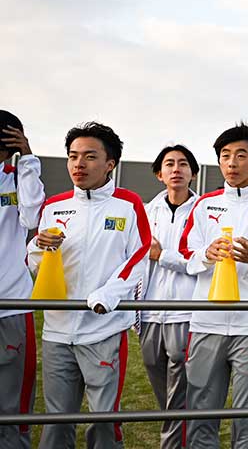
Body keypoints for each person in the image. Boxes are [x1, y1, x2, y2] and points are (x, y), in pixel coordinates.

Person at [29, 122, 151, 449]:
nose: (78, 164)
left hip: (104, 329)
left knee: (103, 421)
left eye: (89, 156)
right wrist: (39, 246)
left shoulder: (128, 204)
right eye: (73, 156)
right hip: (57, 331)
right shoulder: (54, 206)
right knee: (56, 420)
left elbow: (139, 255)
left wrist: (107, 296)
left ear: (110, 163)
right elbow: (34, 261)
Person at [179, 121, 248, 448]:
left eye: (240, 155)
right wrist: (205, 254)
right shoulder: (203, 204)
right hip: (206, 321)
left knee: (246, 412)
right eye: (225, 156)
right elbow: (185, 252)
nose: (231, 163)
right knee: (201, 409)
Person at [140, 144, 200, 449]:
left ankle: (173, 444)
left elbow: (200, 261)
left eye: (183, 163)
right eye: (169, 164)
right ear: (159, 174)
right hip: (149, 314)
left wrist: (162, 255)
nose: (176, 169)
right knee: (165, 396)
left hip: (185, 312)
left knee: (179, 395)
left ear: (193, 173)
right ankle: (184, 438)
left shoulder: (204, 211)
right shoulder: (146, 212)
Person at [0, 112, 44, 448]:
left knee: (11, 401)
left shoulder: (18, 179)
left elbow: (31, 217)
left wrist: (27, 158)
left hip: (11, 304)